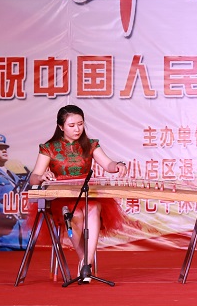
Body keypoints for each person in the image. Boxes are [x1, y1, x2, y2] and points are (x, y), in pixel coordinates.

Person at [28, 105, 127, 280]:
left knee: (93, 208)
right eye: (72, 125)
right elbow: (33, 178)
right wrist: (42, 176)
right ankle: (85, 261)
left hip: (86, 193)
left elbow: (108, 164)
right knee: (75, 214)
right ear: (61, 127)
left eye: (80, 124)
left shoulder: (90, 145)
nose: (77, 129)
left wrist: (118, 165)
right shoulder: (49, 148)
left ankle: (86, 264)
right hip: (62, 197)